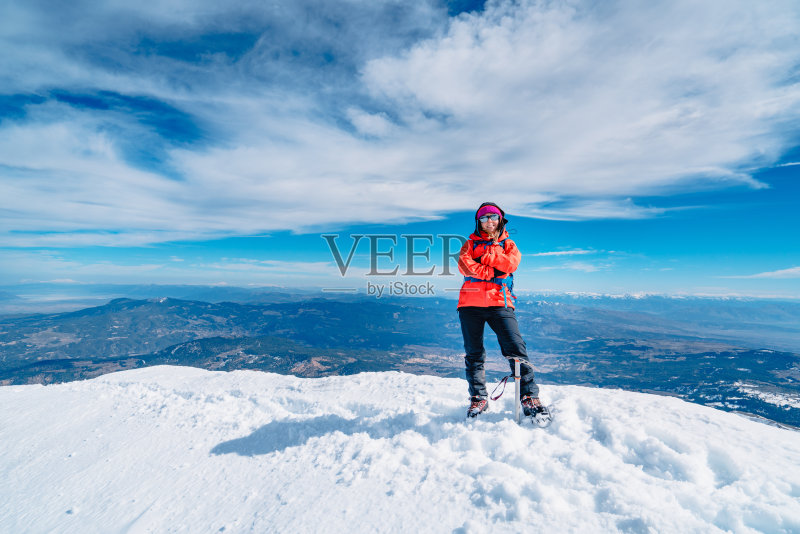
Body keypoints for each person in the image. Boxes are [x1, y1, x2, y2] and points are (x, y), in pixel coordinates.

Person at [456, 201, 546, 419]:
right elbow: (465, 266)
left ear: (500, 220)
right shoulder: (469, 244)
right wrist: (493, 271)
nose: (489, 221)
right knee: (474, 352)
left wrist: (486, 258)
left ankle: (529, 395)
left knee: (516, 348)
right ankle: (478, 398)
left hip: (500, 303)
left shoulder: (509, 243)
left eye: (493, 217)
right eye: (484, 218)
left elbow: (510, 265)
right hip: (470, 304)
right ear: (479, 222)